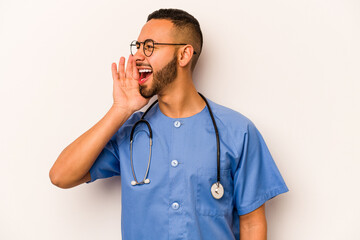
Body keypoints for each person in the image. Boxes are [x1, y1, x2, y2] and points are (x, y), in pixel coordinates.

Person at [49, 8, 288, 240]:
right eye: (138, 46)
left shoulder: (238, 132)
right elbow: (61, 176)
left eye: (150, 47)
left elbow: (252, 222)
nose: (137, 56)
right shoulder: (130, 132)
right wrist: (120, 110)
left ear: (184, 55)